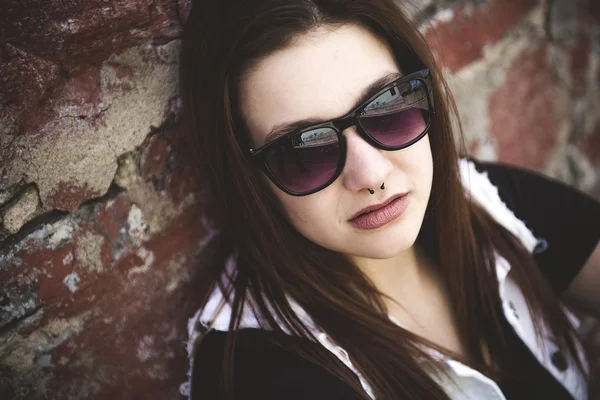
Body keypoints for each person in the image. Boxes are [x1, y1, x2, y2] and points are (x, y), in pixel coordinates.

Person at [177, 1, 600, 399]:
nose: (372, 175)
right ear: (246, 179)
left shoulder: (486, 203)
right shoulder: (271, 377)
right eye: (304, 151)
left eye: (387, 107)